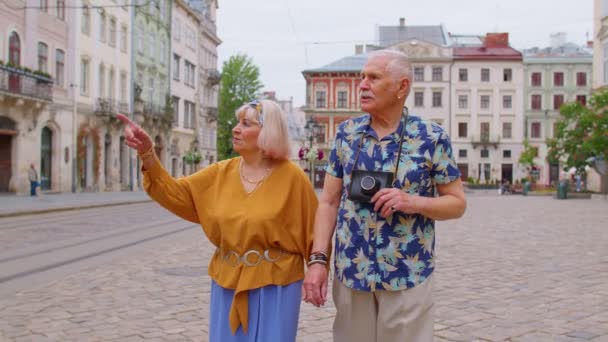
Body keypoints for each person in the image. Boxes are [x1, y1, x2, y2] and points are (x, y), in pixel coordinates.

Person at [117, 99, 317, 342]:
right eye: (237, 122)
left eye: (246, 123)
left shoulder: (293, 178)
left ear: (267, 132)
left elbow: (314, 232)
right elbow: (175, 194)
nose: (235, 128)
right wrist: (148, 154)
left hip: (277, 286)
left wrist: (317, 270)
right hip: (228, 282)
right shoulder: (220, 173)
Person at [302, 50, 467, 342]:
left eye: (373, 78)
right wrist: (318, 261)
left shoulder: (431, 137)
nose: (362, 85)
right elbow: (328, 202)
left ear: (402, 87)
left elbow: (456, 203)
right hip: (353, 273)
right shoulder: (346, 134)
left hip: (407, 273)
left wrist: (411, 201)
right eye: (362, 77)